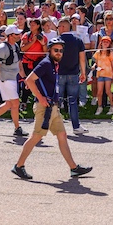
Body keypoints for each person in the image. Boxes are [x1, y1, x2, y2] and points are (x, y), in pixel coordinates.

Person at [11, 38, 92, 181]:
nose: (59, 53)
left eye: (61, 50)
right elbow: (29, 80)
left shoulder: (54, 64)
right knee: (36, 136)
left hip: (53, 107)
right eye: (56, 50)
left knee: (62, 135)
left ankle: (73, 168)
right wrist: (41, 98)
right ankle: (18, 166)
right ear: (50, 50)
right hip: (44, 107)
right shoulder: (46, 64)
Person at [0, 25, 27, 137]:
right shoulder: (2, 48)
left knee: (9, 104)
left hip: (12, 78)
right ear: (10, 35)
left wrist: (24, 79)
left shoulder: (16, 46)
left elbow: (19, 64)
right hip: (6, 79)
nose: (19, 36)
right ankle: (17, 128)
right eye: (17, 34)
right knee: (15, 103)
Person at [56, 18, 88, 133]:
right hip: (73, 74)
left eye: (59, 26)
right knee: (73, 101)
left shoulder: (57, 41)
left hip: (59, 74)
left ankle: (50, 124)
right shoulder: (78, 41)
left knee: (56, 100)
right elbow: (82, 59)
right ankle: (76, 126)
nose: (58, 29)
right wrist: (83, 72)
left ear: (63, 27)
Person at [93, 36, 113, 115]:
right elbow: (96, 62)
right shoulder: (98, 52)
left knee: (108, 91)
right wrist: (94, 66)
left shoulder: (110, 53)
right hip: (100, 74)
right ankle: (99, 107)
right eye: (104, 42)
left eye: (107, 42)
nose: (105, 43)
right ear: (101, 43)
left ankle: (112, 107)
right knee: (99, 92)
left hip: (108, 74)